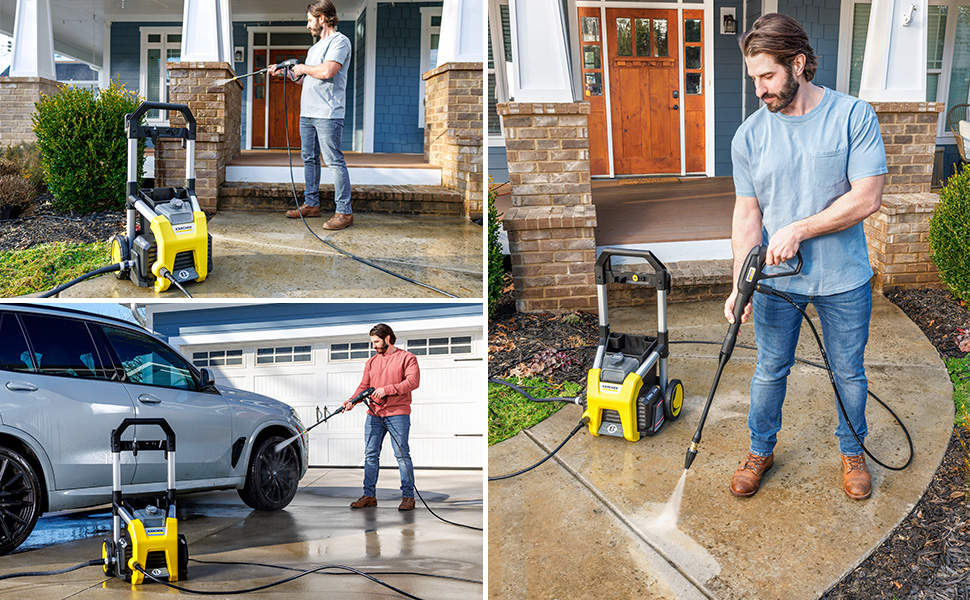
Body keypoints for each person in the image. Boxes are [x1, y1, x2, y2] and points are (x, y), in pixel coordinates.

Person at [726, 13, 887, 500]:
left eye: (768, 76)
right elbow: (747, 215)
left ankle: (852, 451)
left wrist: (800, 227)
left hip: (845, 281)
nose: (760, 89)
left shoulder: (853, 115)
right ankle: (760, 450)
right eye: (754, 78)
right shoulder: (750, 135)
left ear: (798, 64)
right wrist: (740, 284)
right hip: (775, 282)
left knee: (849, 373)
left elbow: (867, 196)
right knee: (770, 370)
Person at [269, 0, 353, 230]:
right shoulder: (314, 48)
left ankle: (344, 212)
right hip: (307, 113)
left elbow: (327, 72)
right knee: (309, 159)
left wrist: (304, 67)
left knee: (334, 161)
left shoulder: (340, 41)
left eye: (309, 20)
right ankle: (311, 204)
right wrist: (282, 73)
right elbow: (305, 79)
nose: (308, 26)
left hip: (328, 113)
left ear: (322, 18)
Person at [342, 324, 421, 511]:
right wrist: (352, 401)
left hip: (398, 414)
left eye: (376, 342)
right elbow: (364, 386)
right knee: (370, 455)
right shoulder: (371, 362)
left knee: (402, 455)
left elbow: (412, 382)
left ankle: (408, 497)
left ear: (387, 338)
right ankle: (369, 495)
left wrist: (387, 390)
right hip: (374, 415)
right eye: (372, 342)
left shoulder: (407, 358)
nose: (374, 346)